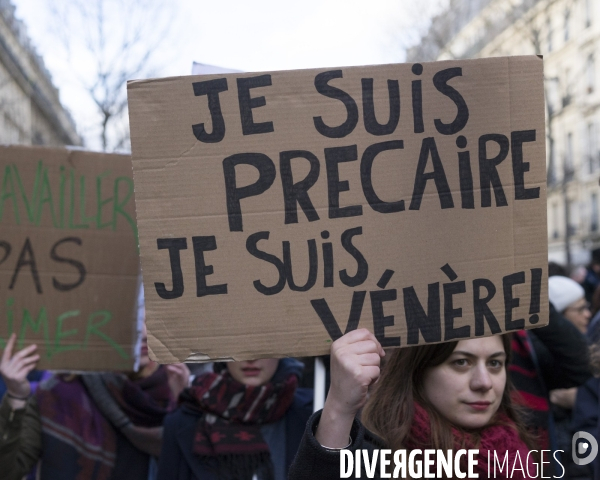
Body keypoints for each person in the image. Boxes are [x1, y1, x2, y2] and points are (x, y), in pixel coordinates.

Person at [289, 329, 537, 480]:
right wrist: (339, 408)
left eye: (495, 363)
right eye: (461, 362)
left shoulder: (519, 454)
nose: (484, 382)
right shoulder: (376, 461)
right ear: (417, 371)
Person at [0, 326, 190, 480]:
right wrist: (16, 397)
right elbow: (7, 471)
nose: (143, 333)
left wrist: (185, 406)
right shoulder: (57, 394)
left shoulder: (178, 390)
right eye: (132, 319)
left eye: (151, 320)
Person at [157, 357, 313, 480]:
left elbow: (338, 469)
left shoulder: (316, 414)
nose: (251, 358)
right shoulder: (183, 421)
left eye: (263, 345)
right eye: (239, 346)